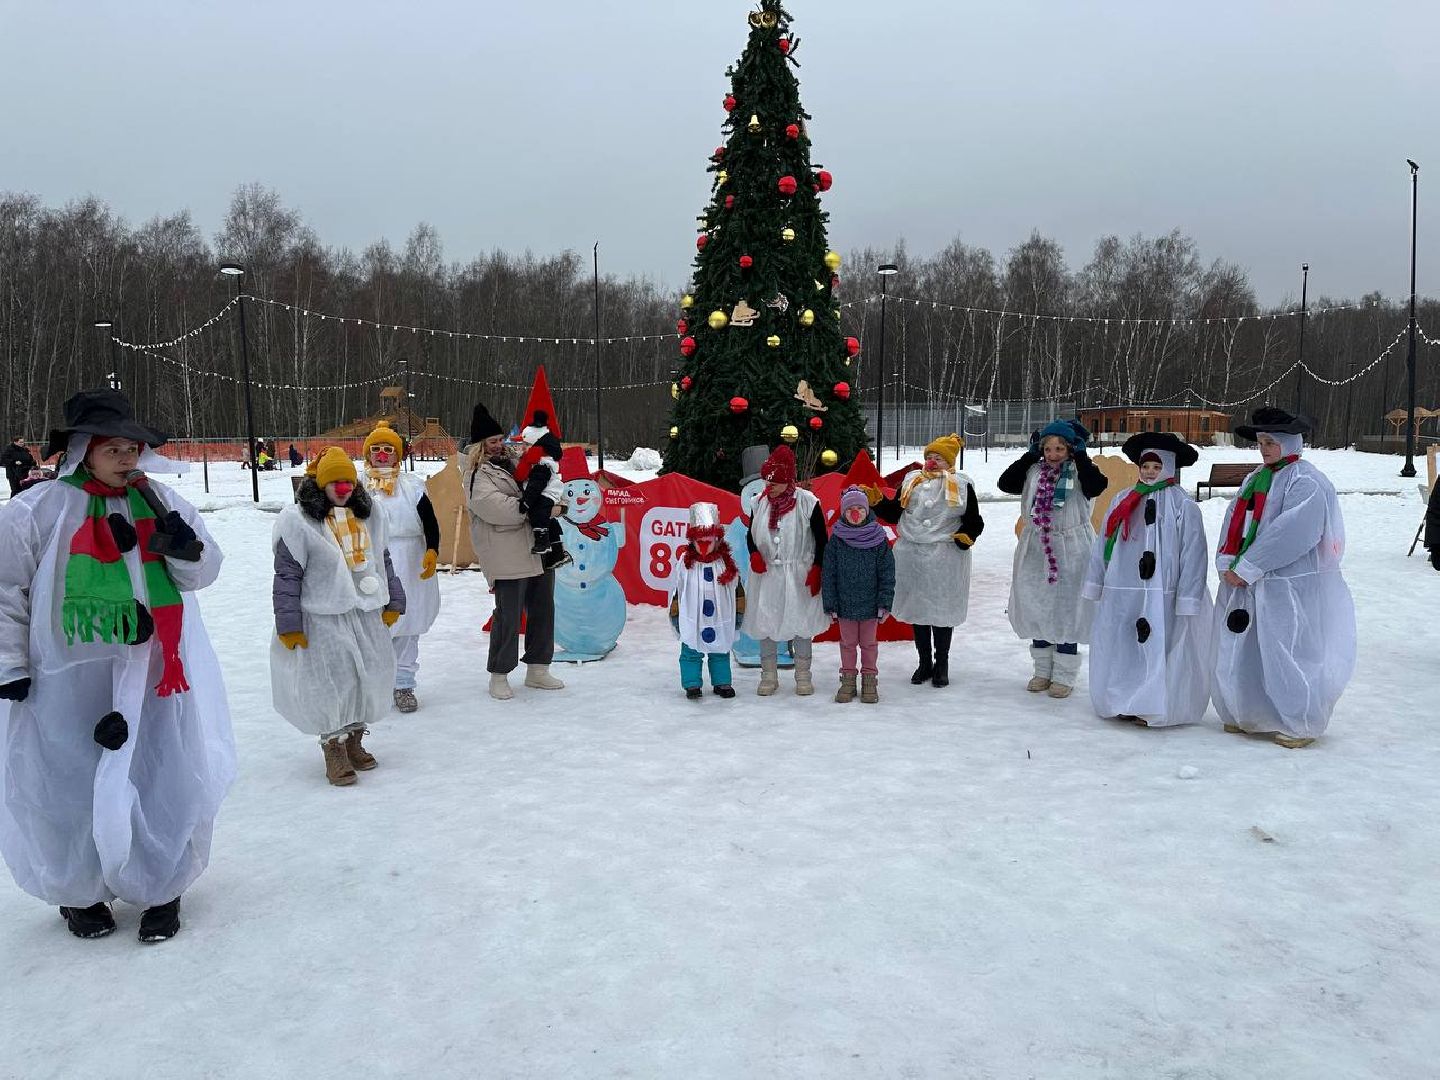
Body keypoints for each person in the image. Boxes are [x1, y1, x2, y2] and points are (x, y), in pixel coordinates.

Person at [0, 388, 234, 942]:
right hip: (67, 675)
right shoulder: (37, 511)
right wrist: (10, 663)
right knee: (68, 777)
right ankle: (80, 891)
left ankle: (163, 882)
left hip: (153, 671)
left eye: (132, 448)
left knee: (159, 768)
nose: (127, 459)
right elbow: (6, 590)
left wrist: (186, 551)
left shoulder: (160, 500)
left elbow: (201, 575)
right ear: (83, 450)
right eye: (114, 449)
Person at [1212, 407, 1356, 748]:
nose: (1264, 449)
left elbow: (1293, 532)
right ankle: (1249, 711)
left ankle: (1300, 720)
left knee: (1287, 649)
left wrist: (1248, 567)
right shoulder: (1256, 479)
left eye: (1271, 442)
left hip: (1287, 583)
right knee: (1248, 647)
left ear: (1289, 443)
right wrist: (1227, 561)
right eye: (1261, 442)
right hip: (1249, 582)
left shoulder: (1306, 481)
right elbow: (1234, 520)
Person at [271, 447, 405, 785]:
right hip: (323, 616)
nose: (343, 488)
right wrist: (289, 624)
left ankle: (355, 740)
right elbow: (287, 574)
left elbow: (383, 560)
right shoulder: (299, 522)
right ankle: (333, 746)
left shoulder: (369, 515)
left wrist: (394, 601)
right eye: (335, 482)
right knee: (332, 682)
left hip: (366, 613)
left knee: (369, 676)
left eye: (348, 481)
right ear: (322, 485)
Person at [1081, 433, 1211, 728]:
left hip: (1163, 590)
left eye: (1156, 466)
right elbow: (1104, 541)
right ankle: (1125, 698)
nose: (1150, 472)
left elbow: (1194, 552)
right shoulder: (1123, 500)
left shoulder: (1182, 504)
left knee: (1158, 645)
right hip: (1125, 587)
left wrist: (1189, 596)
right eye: (1145, 466)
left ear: (1169, 467)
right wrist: (1097, 579)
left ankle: (1152, 704)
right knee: (1126, 642)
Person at [997, 419, 1107, 699]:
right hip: (1037, 546)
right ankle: (1042, 670)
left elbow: (1097, 486)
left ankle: (1064, 674)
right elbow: (1006, 483)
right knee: (1038, 606)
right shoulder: (1034, 472)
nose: (1053, 454)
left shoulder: (1080, 472)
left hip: (1072, 548)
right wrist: (1029, 456)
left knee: (1068, 609)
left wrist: (1082, 457)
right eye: (1048, 449)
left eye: (1060, 449)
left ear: (1070, 449)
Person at [463, 402, 564, 701]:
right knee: (508, 616)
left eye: (500, 439)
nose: (498, 445)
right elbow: (498, 509)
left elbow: (546, 483)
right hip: (505, 551)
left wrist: (552, 501)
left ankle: (538, 668)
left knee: (543, 610)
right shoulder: (476, 474)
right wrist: (541, 509)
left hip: (537, 548)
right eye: (491, 441)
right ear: (479, 446)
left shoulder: (519, 461)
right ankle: (499, 673)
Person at [869, 433, 983, 688]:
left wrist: (967, 536)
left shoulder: (961, 485)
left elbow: (973, 519)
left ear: (949, 462)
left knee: (942, 612)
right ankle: (924, 663)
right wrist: (878, 503)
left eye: (938, 458)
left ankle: (941, 664)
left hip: (945, 556)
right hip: (912, 555)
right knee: (917, 610)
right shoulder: (912, 481)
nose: (932, 461)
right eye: (929, 456)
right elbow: (894, 513)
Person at [361, 421, 440, 713]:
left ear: (398, 454)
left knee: (408, 622)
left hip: (409, 559)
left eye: (388, 449)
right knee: (374, 624)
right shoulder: (356, 486)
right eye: (376, 449)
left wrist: (432, 549)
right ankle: (375, 684)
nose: (382, 455)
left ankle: (403, 683)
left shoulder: (412, 486)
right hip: (370, 560)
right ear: (368, 454)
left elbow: (430, 521)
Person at [744, 444, 829, 696]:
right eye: (766, 482)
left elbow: (821, 538)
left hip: (798, 574)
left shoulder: (807, 503)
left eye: (774, 483)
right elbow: (751, 534)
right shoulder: (759, 503)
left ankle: (803, 675)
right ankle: (768, 676)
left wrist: (818, 568)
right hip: (767, 574)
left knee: (801, 623)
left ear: (788, 480)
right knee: (766, 622)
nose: (768, 487)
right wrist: (754, 554)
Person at [822, 486, 896, 704]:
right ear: (843, 512)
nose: (855, 513)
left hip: (870, 605)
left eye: (860, 509)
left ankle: (869, 680)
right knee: (847, 643)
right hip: (845, 604)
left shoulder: (879, 539)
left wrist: (885, 602)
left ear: (867, 510)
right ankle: (848, 680)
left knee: (869, 644)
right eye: (850, 509)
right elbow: (829, 573)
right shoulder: (837, 540)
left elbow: (887, 573)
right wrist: (831, 603)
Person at [668, 502, 741, 700]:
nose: (703, 545)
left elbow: (737, 590)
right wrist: (675, 614)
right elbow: (677, 590)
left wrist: (739, 615)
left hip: (720, 617)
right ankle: (692, 684)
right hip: (693, 616)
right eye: (699, 541)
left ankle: (722, 682)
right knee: (691, 648)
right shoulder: (685, 562)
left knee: (720, 649)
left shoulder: (726, 563)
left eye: (708, 541)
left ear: (717, 540)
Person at [518, 411, 572, 569]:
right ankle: (557, 550)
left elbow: (536, 485)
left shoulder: (542, 464)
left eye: (527, 445)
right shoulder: (535, 461)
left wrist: (526, 502)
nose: (522, 447)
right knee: (548, 518)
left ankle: (542, 540)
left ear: (537, 447)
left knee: (539, 513)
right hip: (547, 493)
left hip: (546, 493)